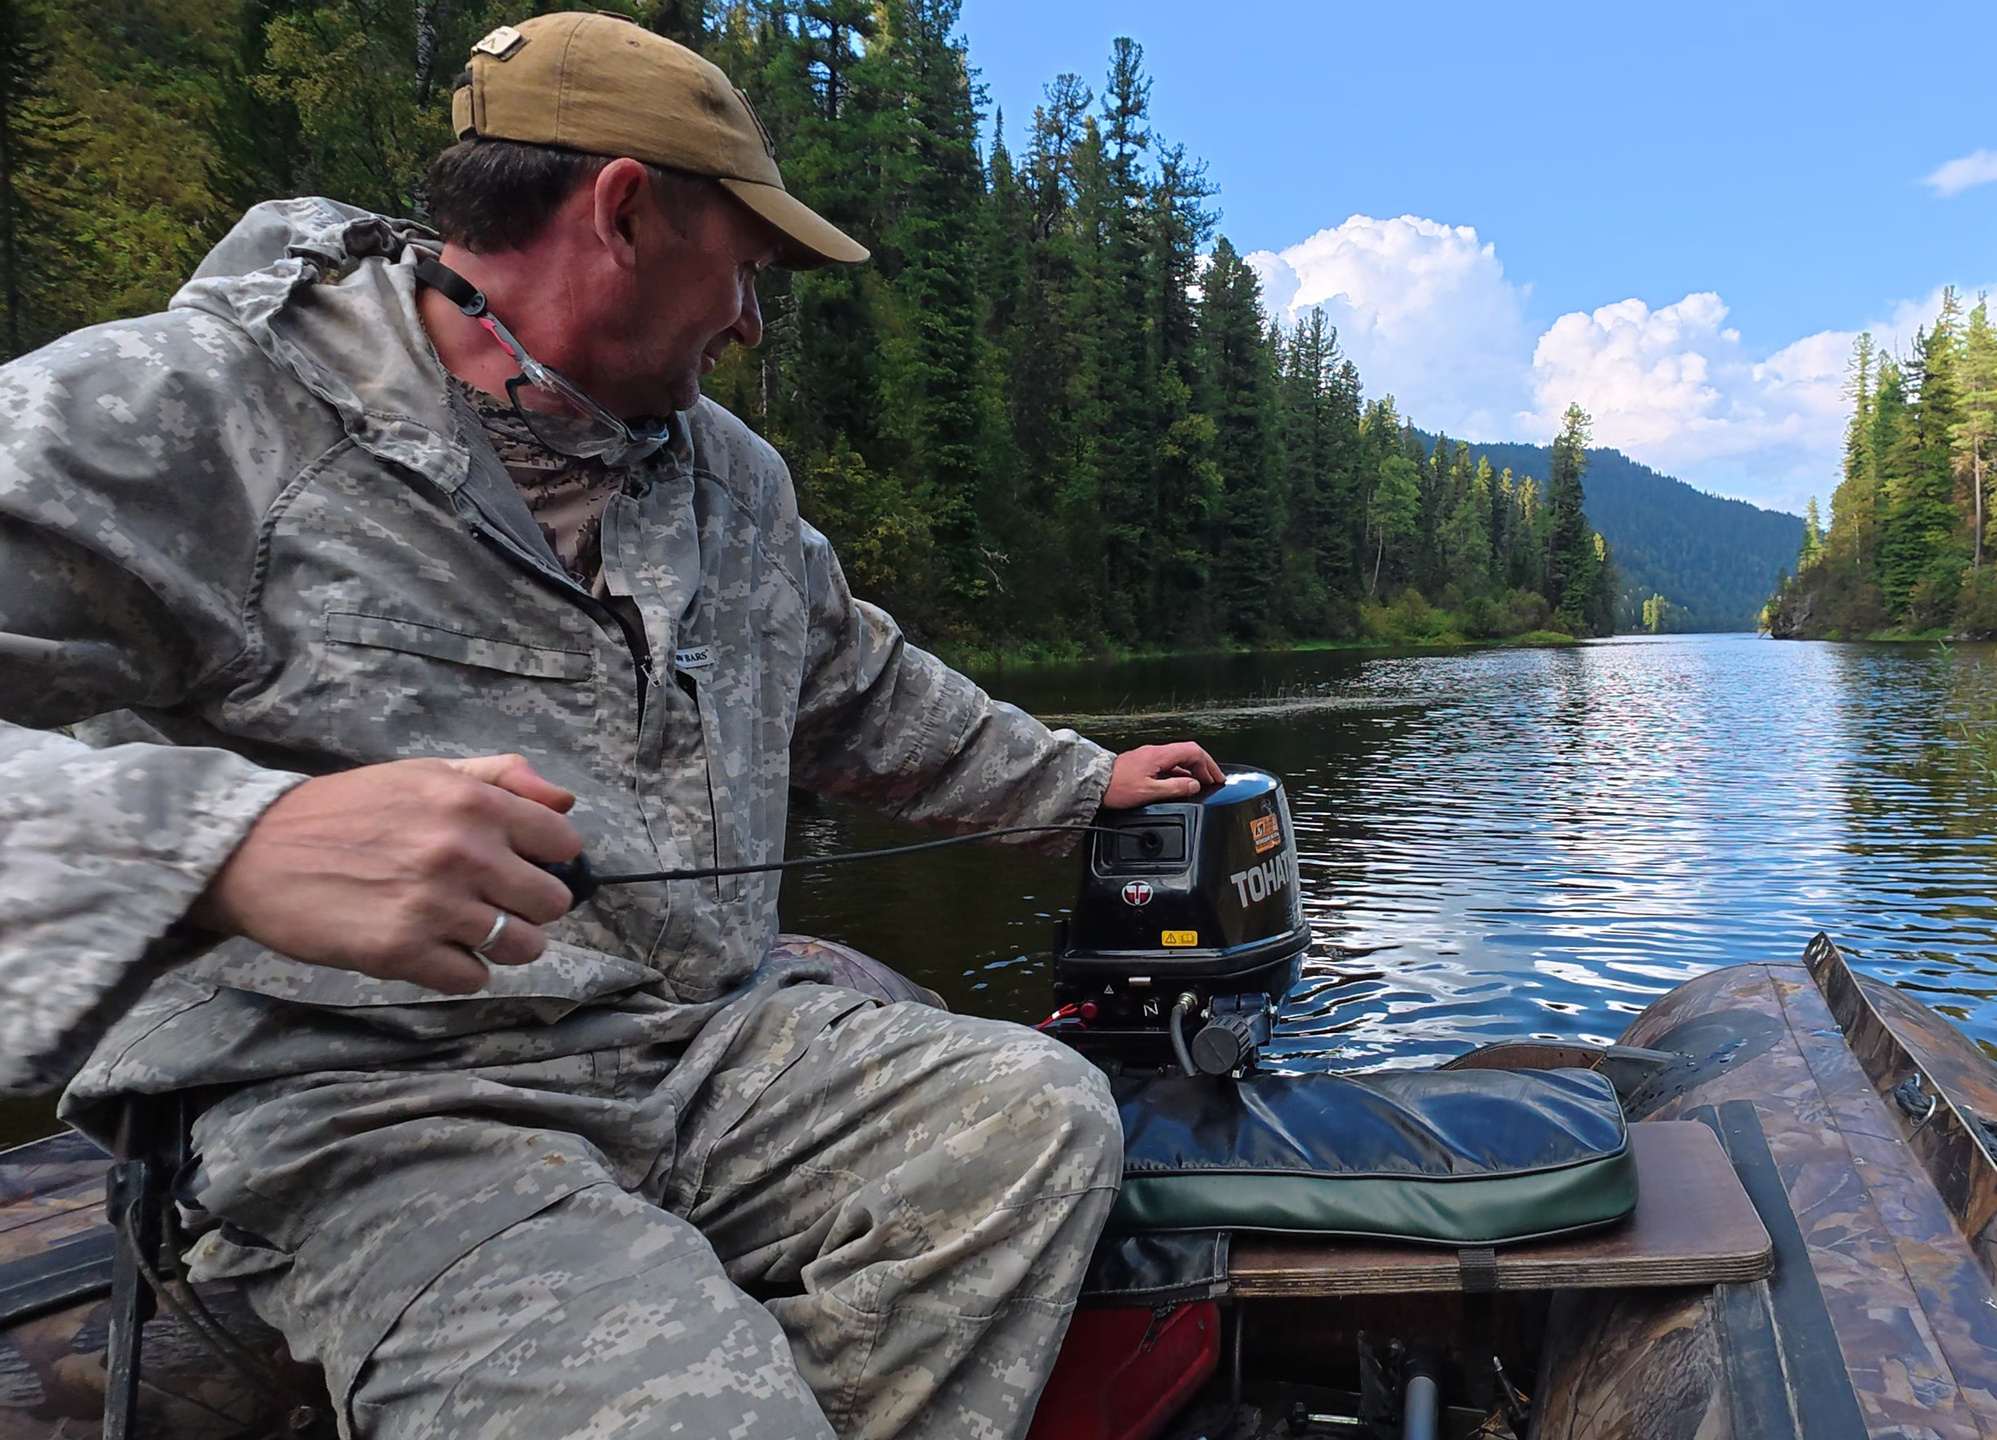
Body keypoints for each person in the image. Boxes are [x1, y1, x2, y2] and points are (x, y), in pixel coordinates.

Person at [0, 12, 1222, 1437]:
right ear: (629, 209)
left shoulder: (727, 477)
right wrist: (228, 846)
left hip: (702, 1053)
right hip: (383, 1116)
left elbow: (864, 692)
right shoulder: (190, 410)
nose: (755, 323)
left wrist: (1085, 787)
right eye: (748, 270)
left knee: (1035, 1113)